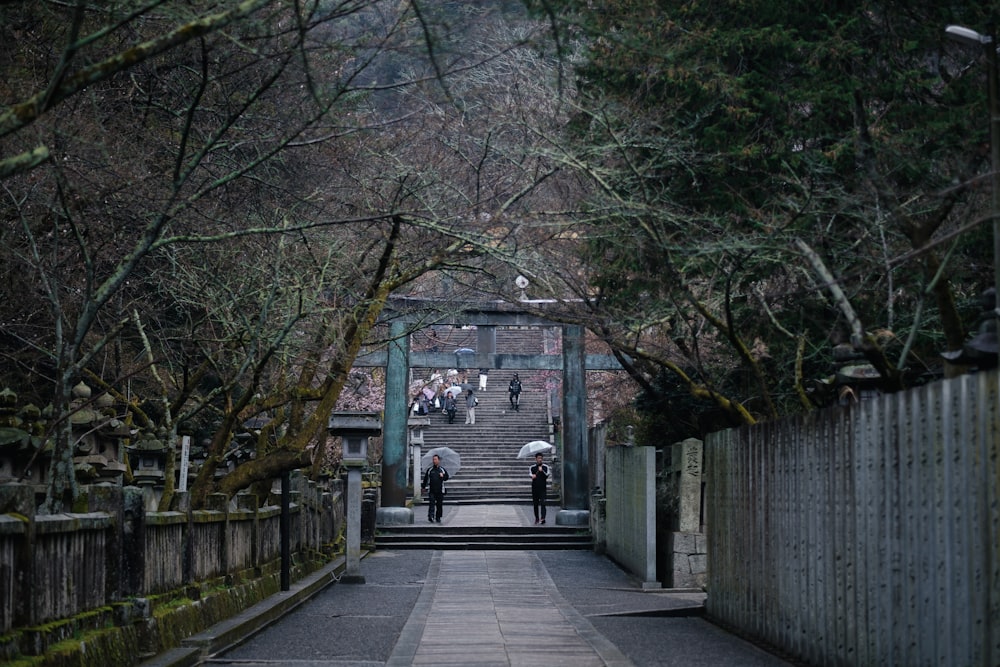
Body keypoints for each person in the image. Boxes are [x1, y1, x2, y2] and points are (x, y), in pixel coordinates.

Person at [421, 454, 449, 522]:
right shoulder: (430, 470)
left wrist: (443, 476)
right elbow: (426, 479)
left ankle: (438, 517)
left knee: (439, 504)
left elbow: (446, 478)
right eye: (433, 459)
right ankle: (431, 516)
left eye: (436, 459)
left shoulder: (442, 470)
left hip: (440, 490)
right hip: (432, 490)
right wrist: (423, 487)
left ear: (439, 460)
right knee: (431, 504)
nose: (434, 461)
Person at [530, 452, 550, 524]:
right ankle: (537, 518)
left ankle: (543, 518)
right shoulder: (532, 467)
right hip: (535, 488)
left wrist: (542, 471)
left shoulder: (545, 467)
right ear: (536, 459)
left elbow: (547, 476)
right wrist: (533, 476)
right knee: (535, 504)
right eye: (538, 458)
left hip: (543, 488)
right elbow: (530, 475)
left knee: (543, 503)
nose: (540, 460)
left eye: (541, 458)